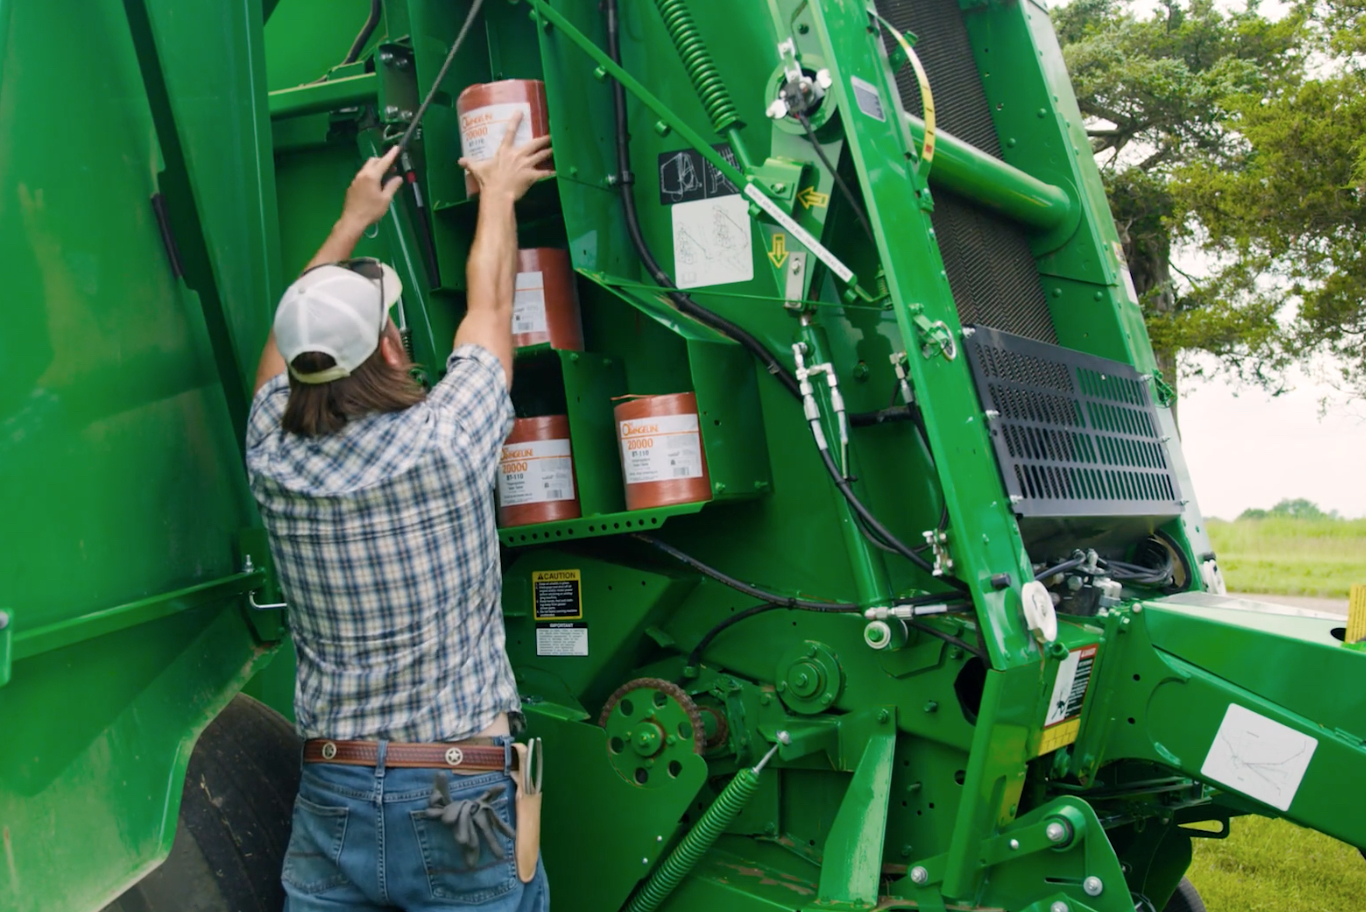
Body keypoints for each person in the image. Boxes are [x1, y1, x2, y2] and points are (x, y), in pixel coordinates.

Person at [246, 115, 552, 912]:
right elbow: (489, 306)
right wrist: (498, 194)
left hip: (334, 790)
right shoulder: (446, 441)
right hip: (460, 795)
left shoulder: (272, 460)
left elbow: (284, 352)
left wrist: (350, 222)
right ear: (387, 347)